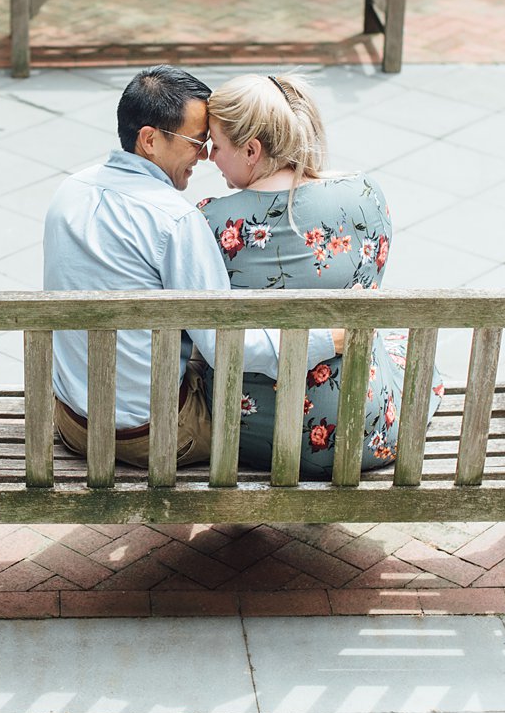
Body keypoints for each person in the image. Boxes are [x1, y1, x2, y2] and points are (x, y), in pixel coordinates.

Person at [43, 65, 340, 468]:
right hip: (149, 437)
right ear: (149, 139)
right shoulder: (175, 220)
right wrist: (326, 339)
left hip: (73, 420)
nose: (203, 155)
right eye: (195, 141)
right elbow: (226, 346)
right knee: (260, 418)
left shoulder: (70, 190)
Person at [197, 72, 445, 476]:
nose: (209, 156)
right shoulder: (366, 194)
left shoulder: (211, 220)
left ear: (251, 150)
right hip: (367, 431)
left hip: (252, 437)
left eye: (217, 145)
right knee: (397, 341)